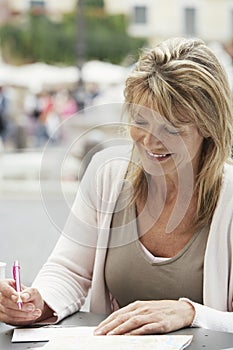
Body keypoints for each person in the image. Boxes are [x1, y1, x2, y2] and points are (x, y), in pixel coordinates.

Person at [1, 37, 233, 334]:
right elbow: (68, 270)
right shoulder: (107, 175)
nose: (150, 141)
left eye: (171, 129)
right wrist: (36, 304)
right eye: (141, 121)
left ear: (208, 127)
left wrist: (190, 313)